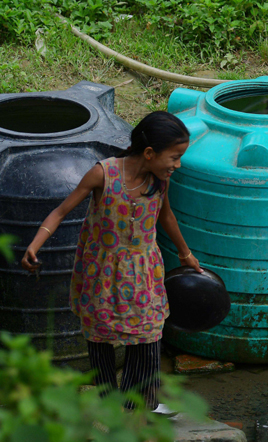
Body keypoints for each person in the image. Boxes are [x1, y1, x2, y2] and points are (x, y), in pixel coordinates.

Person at [20, 111, 201, 410]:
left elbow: (166, 218)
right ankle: (108, 402)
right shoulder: (102, 174)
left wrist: (186, 254)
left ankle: (140, 405)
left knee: (148, 334)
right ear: (149, 152)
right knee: (100, 337)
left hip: (143, 271)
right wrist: (35, 245)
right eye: (175, 157)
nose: (178, 165)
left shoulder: (160, 182)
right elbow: (61, 211)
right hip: (101, 272)